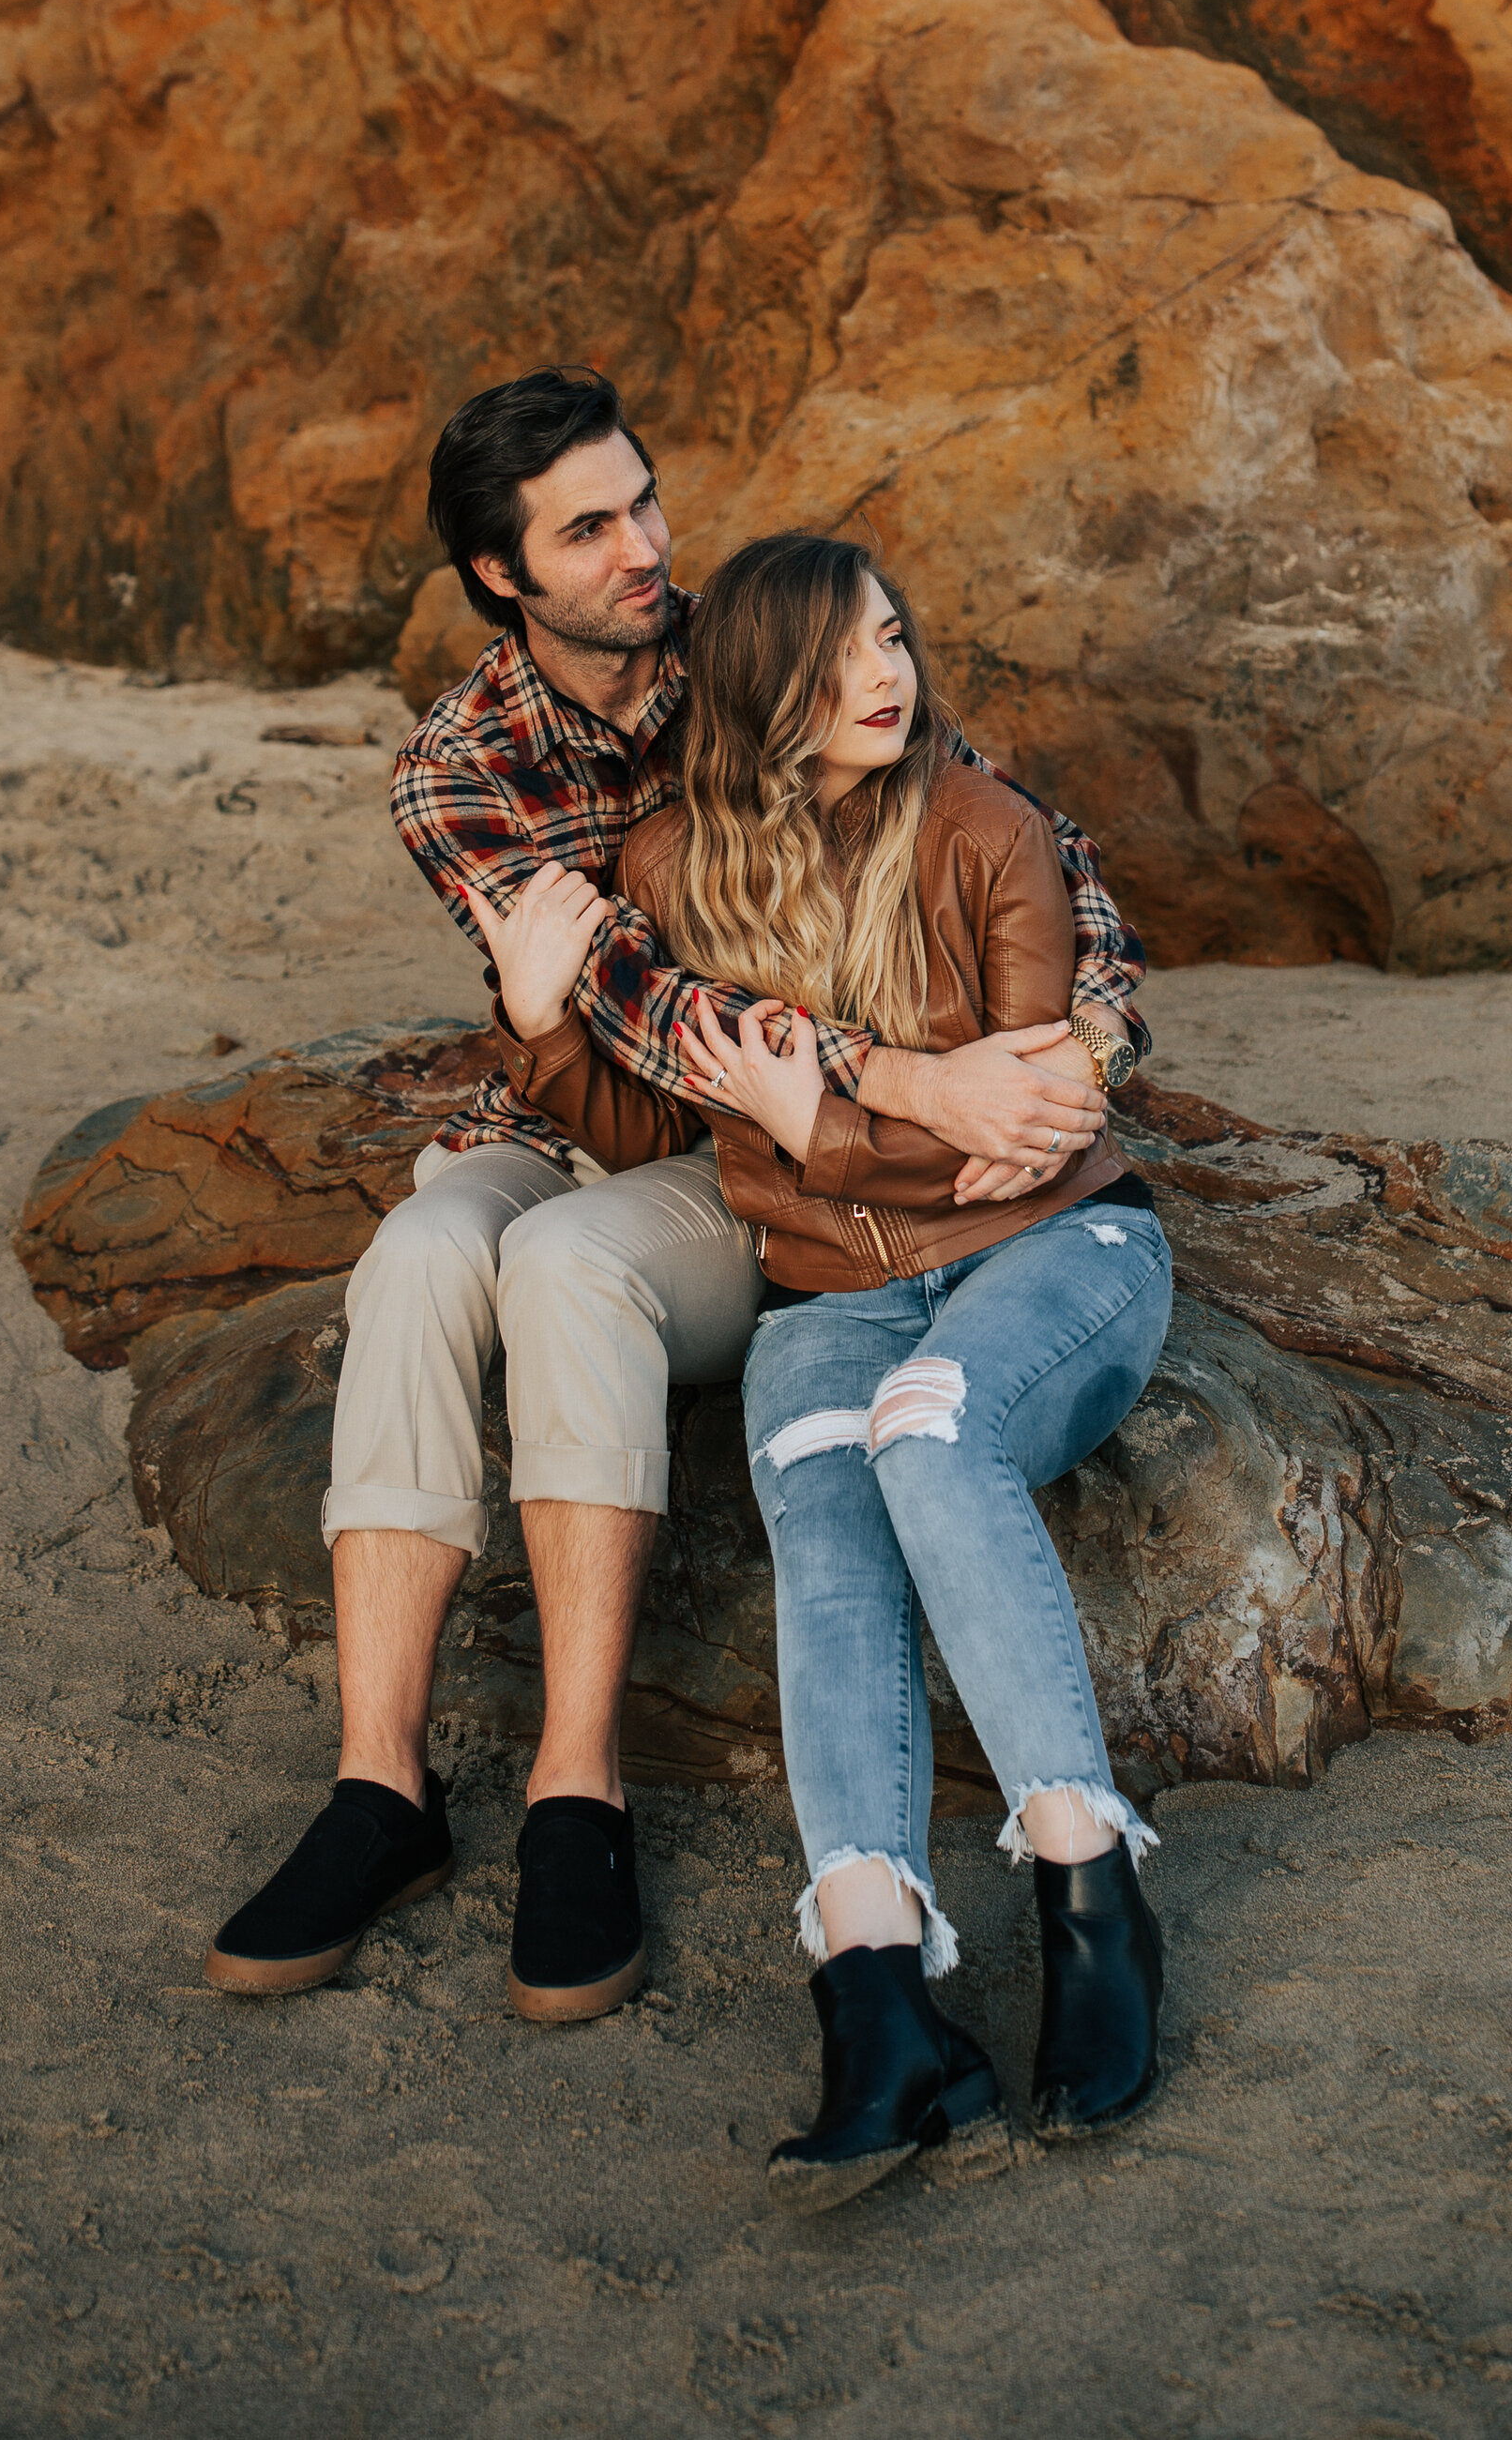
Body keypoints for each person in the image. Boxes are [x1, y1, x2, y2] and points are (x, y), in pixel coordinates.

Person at [204, 371, 1147, 2019]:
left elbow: (1025, 841)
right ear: (504, 576)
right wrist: (911, 1081)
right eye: (590, 528)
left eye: (642, 499)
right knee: (425, 1248)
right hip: (612, 1102)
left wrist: (1084, 1036)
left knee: (570, 1261)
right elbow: (632, 998)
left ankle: (581, 1781)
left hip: (732, 1159)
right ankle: (381, 1787)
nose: (645, 545)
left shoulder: (766, 641)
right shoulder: (457, 766)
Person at [488, 531, 1172, 2210]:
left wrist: (823, 1128)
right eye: (838, 657)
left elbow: (1033, 1138)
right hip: (824, 1298)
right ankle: (879, 2009)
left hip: (1052, 1259)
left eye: (890, 637)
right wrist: (542, 1022)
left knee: (930, 1436)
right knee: (819, 1499)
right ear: (754, 695)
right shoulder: (672, 868)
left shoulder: (986, 831)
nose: (885, 675)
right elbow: (654, 1130)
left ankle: (1094, 1902)